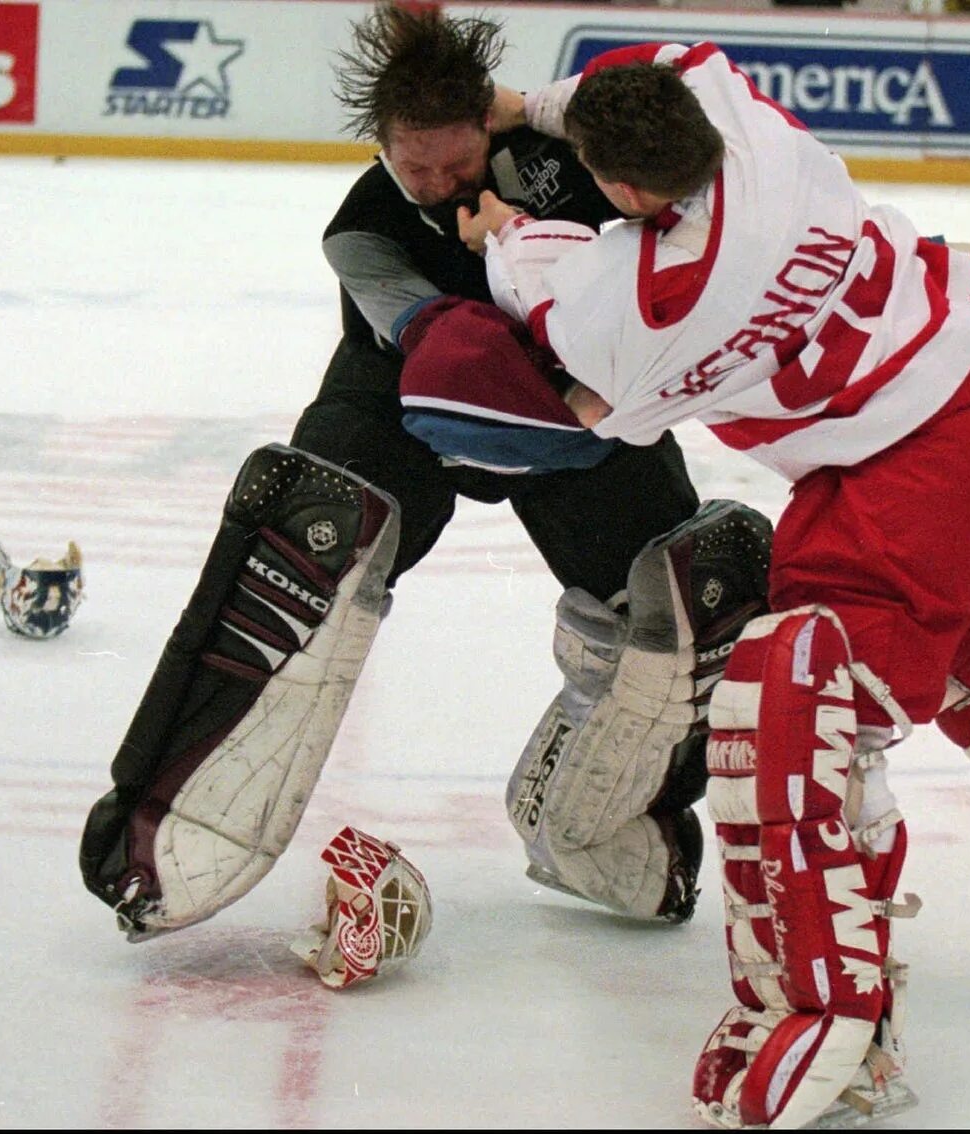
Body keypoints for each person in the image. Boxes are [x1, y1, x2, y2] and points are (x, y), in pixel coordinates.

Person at [458, 45, 970, 1129]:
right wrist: (525, 104)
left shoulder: (636, 304)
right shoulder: (747, 125)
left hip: (903, 478)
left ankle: (833, 1022)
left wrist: (499, 241)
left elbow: (593, 387)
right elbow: (658, 72)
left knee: (798, 697)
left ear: (619, 191)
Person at [76, 8, 775, 967]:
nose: (442, 190)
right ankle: (165, 821)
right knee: (305, 531)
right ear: (383, 148)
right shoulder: (362, 227)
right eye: (419, 173)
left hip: (570, 403)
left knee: (686, 586)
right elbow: (446, 356)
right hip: (412, 401)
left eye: (460, 167)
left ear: (489, 127)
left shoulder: (569, 157)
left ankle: (621, 832)